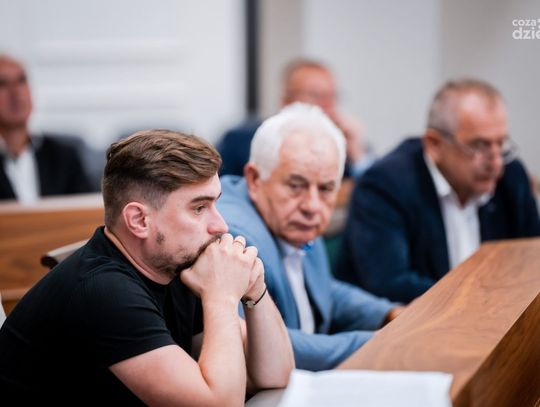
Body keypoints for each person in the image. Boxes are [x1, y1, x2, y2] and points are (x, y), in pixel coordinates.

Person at [0, 130, 294, 405]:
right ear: (139, 220)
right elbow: (220, 403)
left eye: (215, 204)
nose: (221, 225)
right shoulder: (104, 290)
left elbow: (274, 375)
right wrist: (223, 296)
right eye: (199, 208)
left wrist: (255, 291)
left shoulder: (175, 265)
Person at [217, 103, 402, 371]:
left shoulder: (290, 220)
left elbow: (320, 288)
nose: (312, 206)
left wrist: (389, 314)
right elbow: (255, 343)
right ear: (255, 179)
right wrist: (376, 344)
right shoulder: (236, 238)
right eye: (296, 186)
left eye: (326, 188)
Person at [336, 79, 540, 303]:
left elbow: (532, 260)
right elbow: (390, 283)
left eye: (500, 143)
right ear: (434, 144)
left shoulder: (510, 176)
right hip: (413, 320)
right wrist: (482, 301)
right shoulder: (385, 184)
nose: (496, 162)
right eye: (479, 145)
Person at [217, 58, 375, 178]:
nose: (328, 105)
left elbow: (373, 193)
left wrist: (358, 156)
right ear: (286, 101)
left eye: (332, 96)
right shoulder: (241, 140)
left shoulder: (345, 141)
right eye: (317, 95)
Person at [0, 54, 93, 202]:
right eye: (3, 84)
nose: (16, 93)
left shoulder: (64, 157)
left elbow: (88, 211)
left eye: (21, 81)